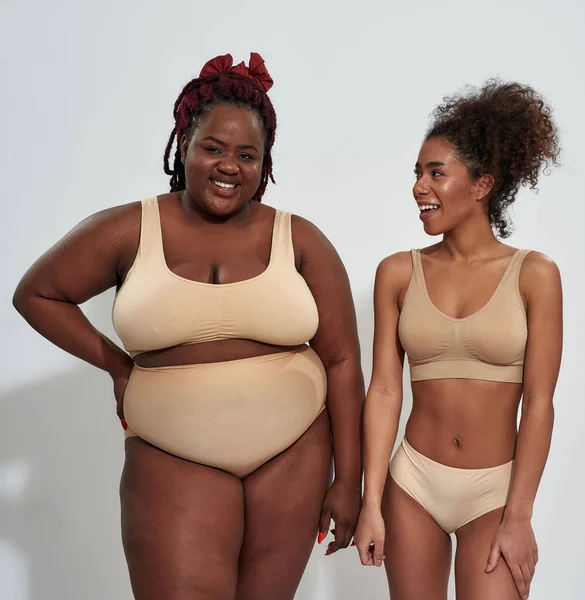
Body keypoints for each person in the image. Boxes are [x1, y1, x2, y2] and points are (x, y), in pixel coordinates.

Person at [13, 53, 364, 600]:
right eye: (213, 148)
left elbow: (343, 363)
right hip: (172, 458)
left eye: (248, 155)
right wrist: (117, 366)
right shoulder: (129, 228)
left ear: (265, 164)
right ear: (184, 145)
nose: (230, 166)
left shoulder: (302, 239)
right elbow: (36, 294)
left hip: (294, 458)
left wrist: (349, 481)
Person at [355, 80, 562, 600]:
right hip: (413, 484)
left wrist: (519, 515)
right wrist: (371, 502)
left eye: (436, 173)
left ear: (482, 184)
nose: (418, 187)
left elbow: (539, 403)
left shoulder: (534, 275)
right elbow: (383, 390)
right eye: (418, 174)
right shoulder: (397, 274)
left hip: (495, 492)